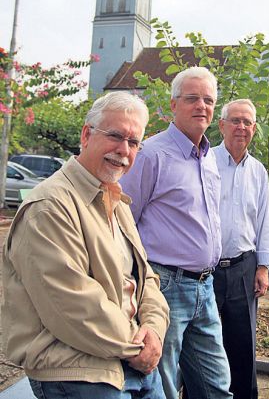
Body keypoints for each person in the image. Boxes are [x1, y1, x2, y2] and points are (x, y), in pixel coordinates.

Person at [2, 92, 170, 399]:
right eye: (116, 136)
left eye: (133, 143)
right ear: (86, 134)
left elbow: (147, 282)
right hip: (76, 369)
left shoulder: (114, 200)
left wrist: (155, 332)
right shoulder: (49, 206)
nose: (124, 150)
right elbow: (72, 305)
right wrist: (139, 346)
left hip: (130, 360)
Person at [120, 67, 232, 399]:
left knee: (216, 387)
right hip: (166, 285)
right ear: (173, 104)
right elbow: (124, 222)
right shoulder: (151, 154)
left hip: (206, 287)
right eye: (192, 98)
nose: (202, 106)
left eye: (209, 100)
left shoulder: (209, 156)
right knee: (163, 385)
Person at [213, 99, 269, 399]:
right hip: (205, 271)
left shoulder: (259, 172)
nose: (241, 127)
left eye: (247, 122)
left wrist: (263, 267)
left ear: (254, 128)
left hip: (244, 268)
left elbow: (264, 221)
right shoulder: (204, 162)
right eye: (235, 120)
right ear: (221, 125)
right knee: (199, 347)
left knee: (243, 346)